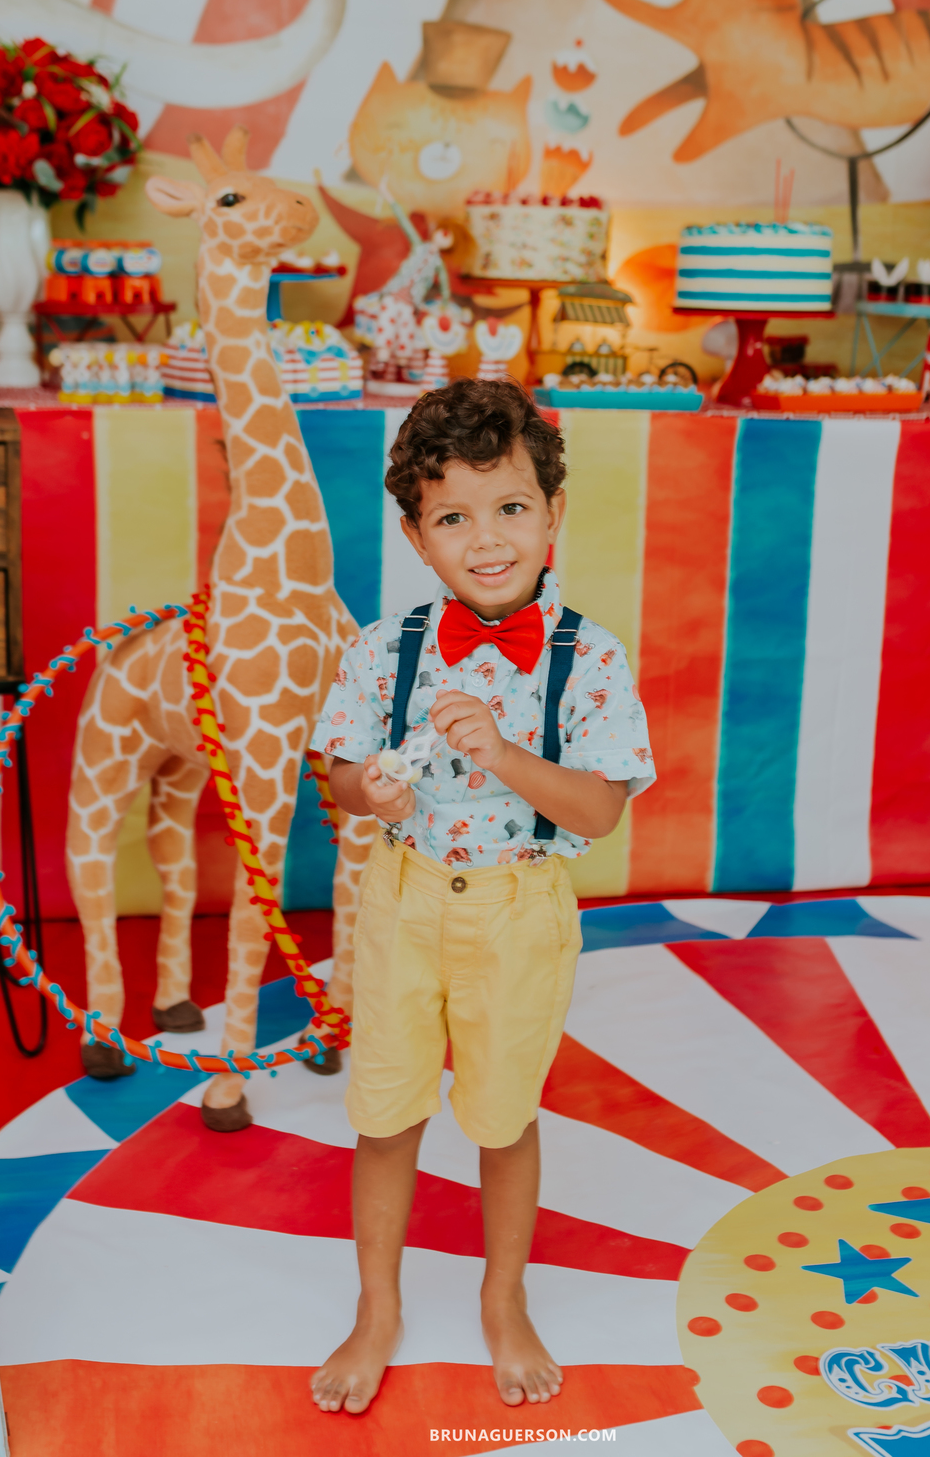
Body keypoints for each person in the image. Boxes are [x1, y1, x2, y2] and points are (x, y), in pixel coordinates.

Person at [310, 377, 655, 1416]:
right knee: (385, 1112)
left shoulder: (588, 658)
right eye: (451, 517)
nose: (487, 539)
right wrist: (363, 787)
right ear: (418, 537)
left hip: (520, 911)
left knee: (503, 1119)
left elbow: (598, 812)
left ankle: (502, 1297)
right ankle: (378, 1307)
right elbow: (335, 776)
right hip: (403, 901)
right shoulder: (383, 649)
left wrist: (503, 751)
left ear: (552, 514)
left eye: (509, 509)